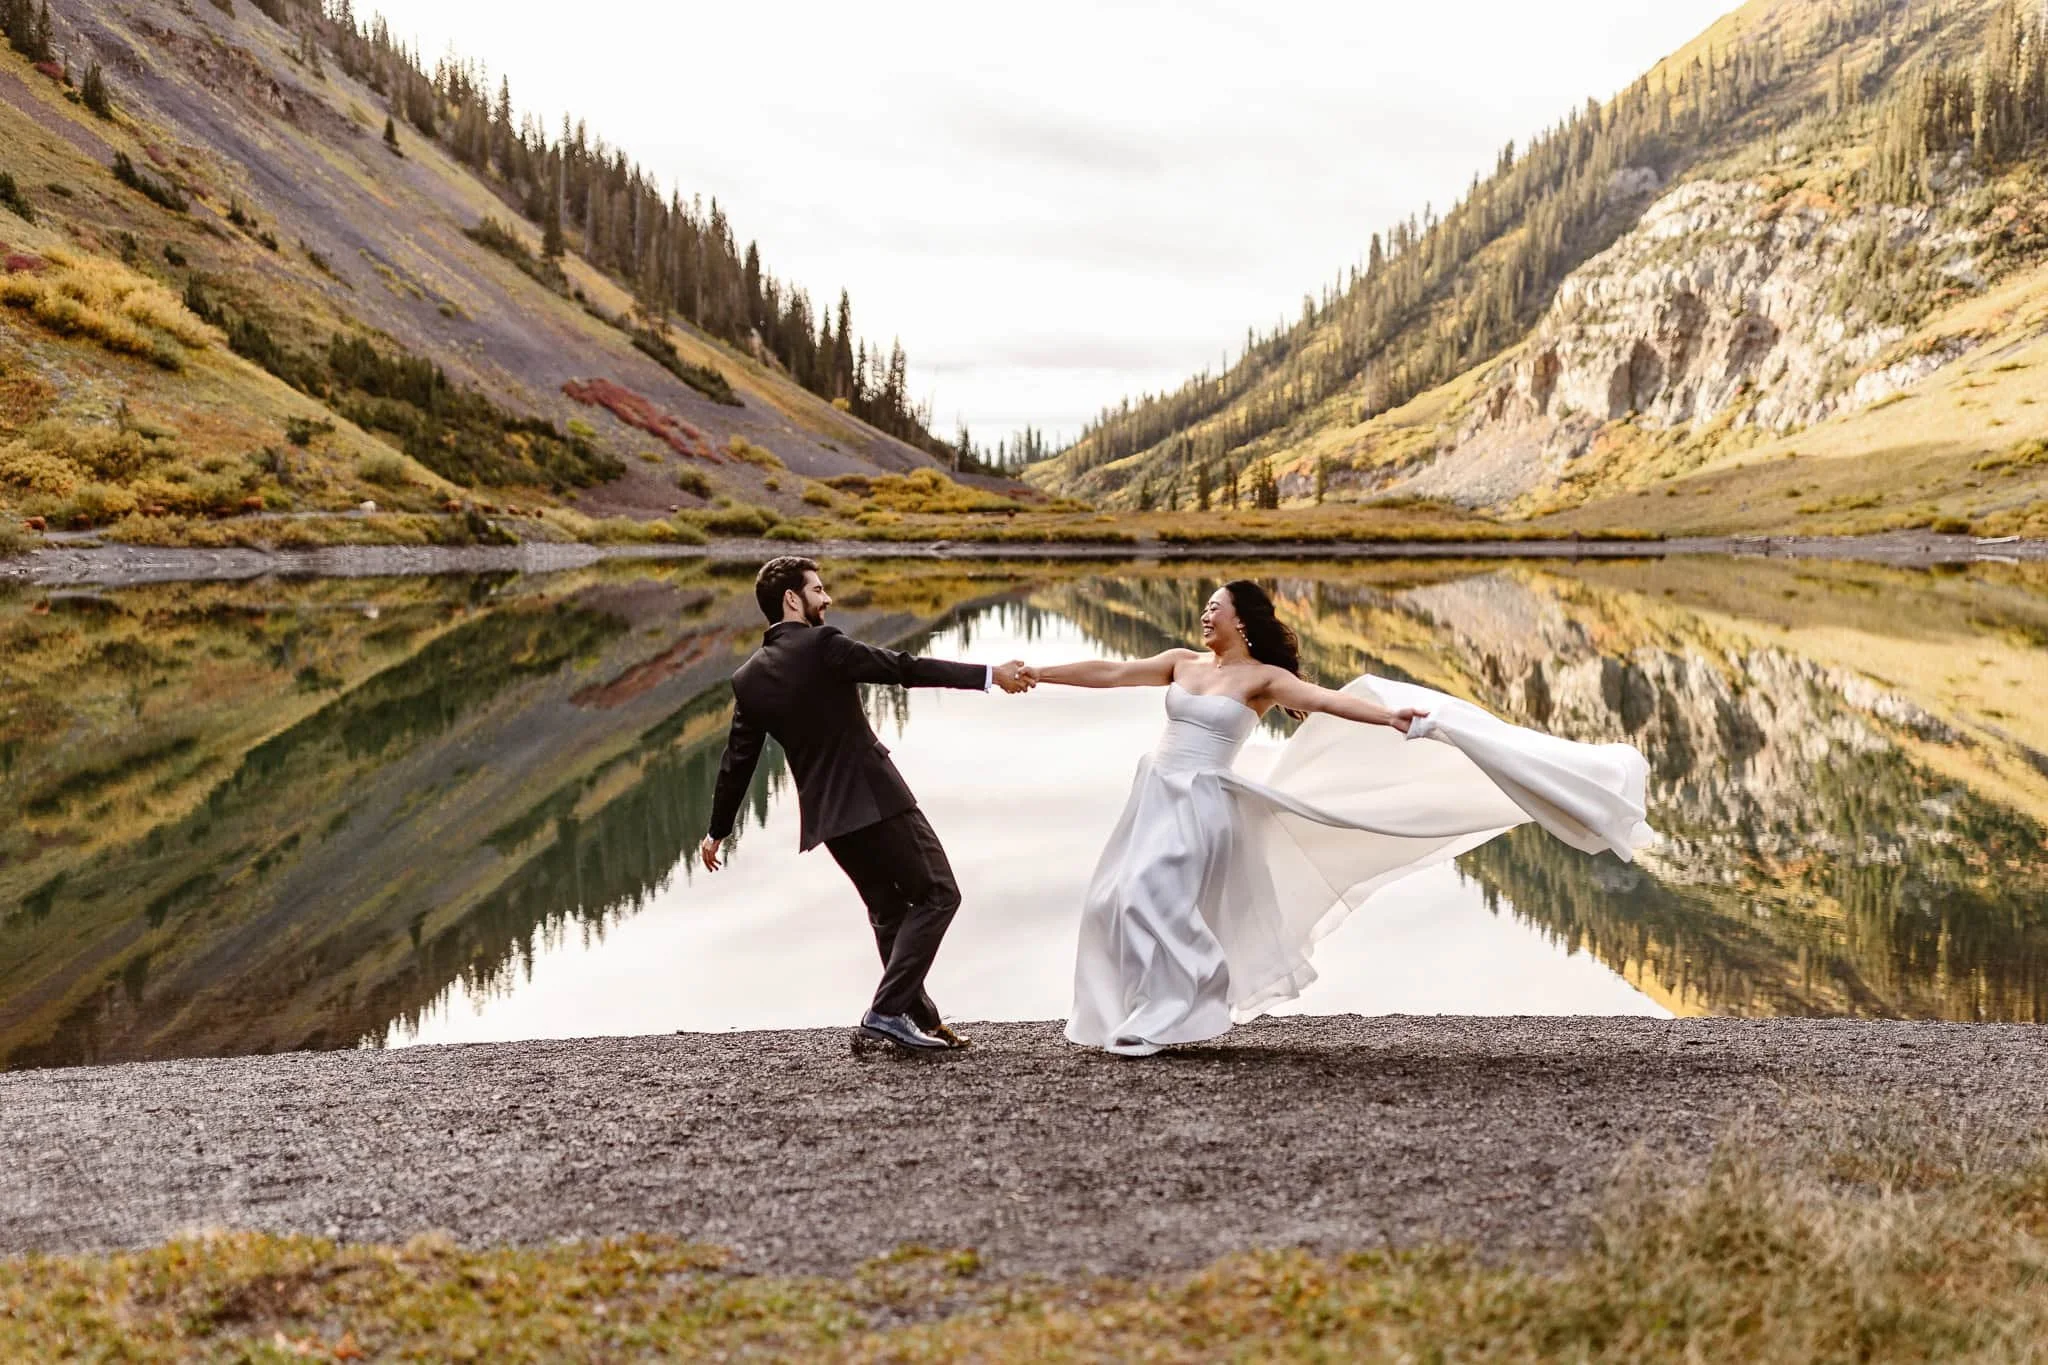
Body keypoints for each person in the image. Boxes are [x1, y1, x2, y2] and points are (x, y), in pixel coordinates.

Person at [1024, 579, 1653, 1057]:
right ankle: (1139, 1010)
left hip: (1202, 804)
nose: (1205, 615)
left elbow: (1325, 701)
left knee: (1150, 894)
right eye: (1206, 609)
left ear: (1242, 619)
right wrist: (1040, 673)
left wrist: (1390, 718)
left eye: (1215, 607)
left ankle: (1187, 1002)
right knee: (1112, 899)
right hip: (1155, 791)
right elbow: (1109, 671)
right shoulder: (1182, 661)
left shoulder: (1265, 678)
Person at [699, 556, 1032, 1052]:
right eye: (817, 589)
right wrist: (990, 674)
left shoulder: (749, 677)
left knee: (888, 912)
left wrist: (716, 831)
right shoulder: (824, 646)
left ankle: (918, 1021)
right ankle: (886, 1011)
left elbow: (737, 762)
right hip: (875, 799)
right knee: (940, 894)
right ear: (793, 599)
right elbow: (904, 668)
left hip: (829, 819)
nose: (826, 598)